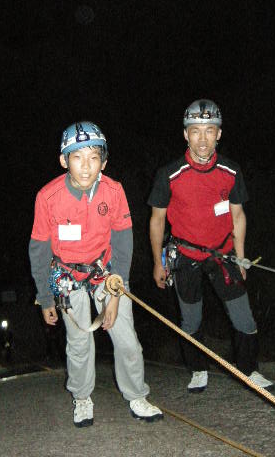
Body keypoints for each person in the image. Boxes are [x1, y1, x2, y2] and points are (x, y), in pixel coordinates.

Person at [29, 121, 163, 428]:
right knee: (79, 342)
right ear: (64, 160)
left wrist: (116, 293)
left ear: (103, 161)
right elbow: (39, 251)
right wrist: (45, 297)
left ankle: (137, 396)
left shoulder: (114, 191)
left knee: (126, 337)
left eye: (93, 157)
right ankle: (82, 398)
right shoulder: (47, 197)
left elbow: (124, 244)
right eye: (77, 157)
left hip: (106, 272)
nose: (86, 166)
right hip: (66, 275)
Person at [148, 100, 273, 392]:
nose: (202, 139)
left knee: (243, 315)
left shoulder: (231, 171)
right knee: (191, 318)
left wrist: (240, 257)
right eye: (195, 131)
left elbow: (238, 215)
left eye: (209, 131)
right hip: (185, 254)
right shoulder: (169, 174)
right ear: (185, 134)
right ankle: (197, 369)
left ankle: (249, 369)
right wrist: (158, 262)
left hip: (222, 253)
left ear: (219, 134)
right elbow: (156, 220)